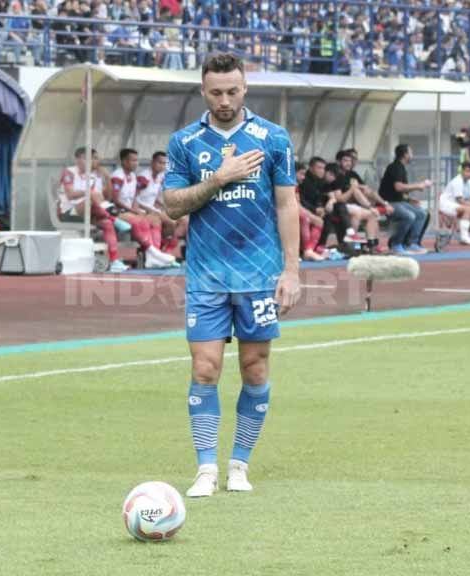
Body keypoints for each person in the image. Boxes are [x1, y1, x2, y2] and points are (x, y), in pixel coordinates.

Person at [164, 52, 300, 498]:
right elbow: (172, 205)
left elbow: (286, 205)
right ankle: (205, 468)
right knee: (205, 369)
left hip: (259, 274)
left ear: (245, 89)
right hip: (206, 274)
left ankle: (239, 464)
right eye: (216, 92)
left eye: (233, 91)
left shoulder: (273, 139)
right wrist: (219, 178)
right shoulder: (185, 142)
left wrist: (292, 269)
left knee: (254, 368)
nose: (225, 99)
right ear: (203, 91)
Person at [60, 147, 127, 273]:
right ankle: (113, 218)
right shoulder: (69, 172)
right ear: (78, 159)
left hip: (91, 211)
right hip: (69, 211)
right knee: (91, 195)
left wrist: (107, 178)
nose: (90, 162)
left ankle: (115, 261)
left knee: (107, 224)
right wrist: (90, 193)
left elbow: (105, 198)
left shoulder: (92, 176)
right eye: (86, 159)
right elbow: (70, 195)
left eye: (92, 159)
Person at [110, 148, 178, 268]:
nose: (136, 163)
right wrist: (136, 211)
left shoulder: (132, 175)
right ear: (124, 161)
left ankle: (155, 254)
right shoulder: (119, 176)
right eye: (133, 160)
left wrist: (138, 210)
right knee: (144, 221)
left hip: (131, 210)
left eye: (137, 160)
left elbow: (134, 198)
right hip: (117, 212)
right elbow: (115, 200)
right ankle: (153, 253)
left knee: (155, 220)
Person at [378, 144, 430, 255]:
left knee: (421, 213)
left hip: (399, 202)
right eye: (411, 153)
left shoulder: (401, 167)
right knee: (409, 216)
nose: (412, 155)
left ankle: (411, 244)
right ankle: (396, 245)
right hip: (387, 203)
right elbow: (399, 187)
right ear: (405, 154)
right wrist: (418, 186)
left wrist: (410, 200)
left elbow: (400, 192)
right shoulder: (395, 167)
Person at [137, 151, 186, 257]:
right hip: (142, 210)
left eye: (164, 163)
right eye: (160, 163)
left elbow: (153, 198)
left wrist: (165, 207)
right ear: (152, 162)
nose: (162, 166)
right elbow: (135, 199)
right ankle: (159, 250)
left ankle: (167, 247)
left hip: (152, 209)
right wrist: (150, 209)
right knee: (172, 222)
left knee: (183, 220)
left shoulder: (160, 177)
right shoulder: (143, 178)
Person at [300, 156, 348, 253]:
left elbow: (332, 196)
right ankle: (310, 248)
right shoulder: (304, 181)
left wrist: (329, 202)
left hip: (318, 208)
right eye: (319, 168)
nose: (322, 171)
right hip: (306, 208)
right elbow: (301, 200)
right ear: (310, 168)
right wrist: (315, 210)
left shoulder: (321, 181)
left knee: (338, 207)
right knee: (325, 216)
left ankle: (343, 241)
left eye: (323, 168)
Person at [440, 162, 470, 246]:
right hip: (447, 204)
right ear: (462, 171)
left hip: (458, 205)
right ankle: (464, 237)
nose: (469, 174)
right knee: (468, 209)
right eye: (467, 171)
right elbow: (460, 200)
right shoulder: (457, 181)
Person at [295, 161, 326, 261]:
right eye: (301, 174)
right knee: (305, 218)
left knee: (317, 220)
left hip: (294, 210)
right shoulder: (286, 185)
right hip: (280, 213)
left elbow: (298, 204)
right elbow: (294, 205)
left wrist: (311, 214)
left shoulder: (295, 185)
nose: (303, 177)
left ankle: (308, 250)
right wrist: (309, 215)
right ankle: (306, 251)